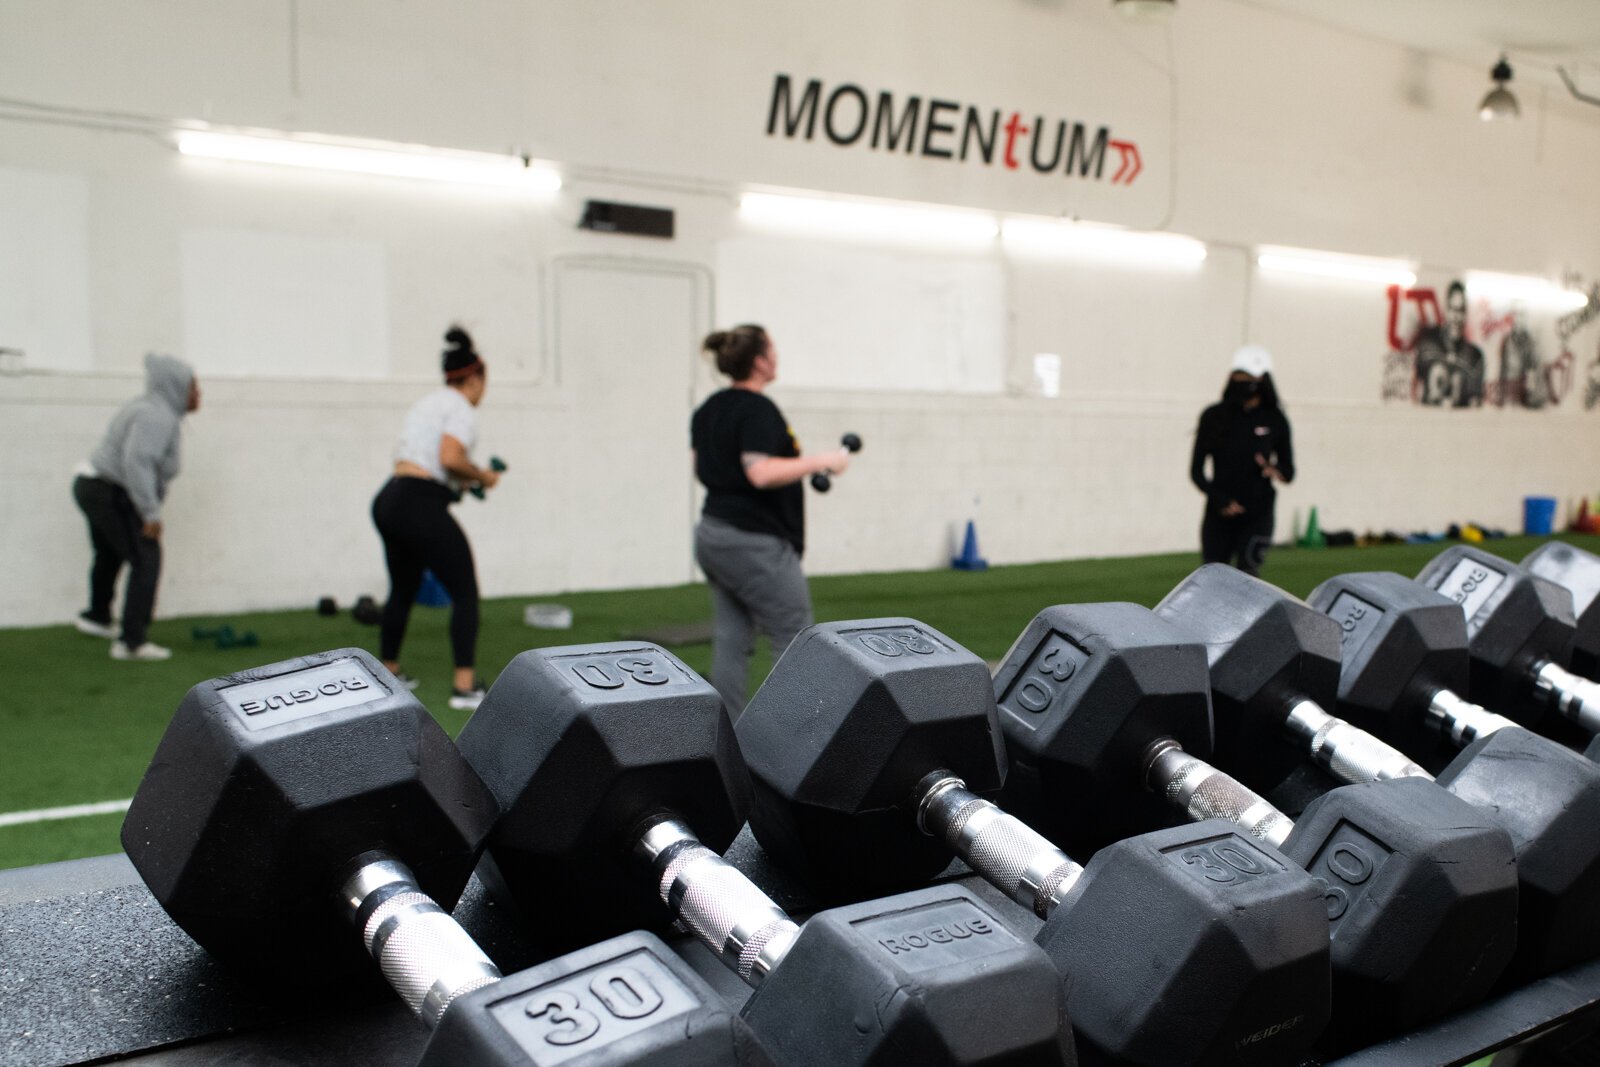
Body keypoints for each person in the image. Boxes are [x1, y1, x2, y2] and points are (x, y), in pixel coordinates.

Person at [691, 324, 852, 715]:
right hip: (753, 544)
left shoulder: (709, 409)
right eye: (773, 350)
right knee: (796, 637)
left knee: (731, 639)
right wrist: (823, 460)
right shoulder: (758, 409)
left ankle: (724, 738)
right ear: (760, 361)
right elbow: (759, 472)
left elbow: (702, 469)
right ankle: (793, 738)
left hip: (713, 536)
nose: (777, 356)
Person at [371, 326, 501, 710]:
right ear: (475, 379)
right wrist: (482, 475)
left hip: (391, 499)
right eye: (484, 383)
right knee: (464, 591)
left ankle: (388, 673)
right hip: (418, 502)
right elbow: (448, 458)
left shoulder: (428, 403)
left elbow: (430, 463)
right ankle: (465, 688)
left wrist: (464, 479)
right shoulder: (461, 408)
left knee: (403, 589)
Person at [72, 353, 200, 660]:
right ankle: (131, 642)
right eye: (193, 387)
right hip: (109, 489)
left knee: (111, 552)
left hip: (92, 484)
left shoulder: (151, 408)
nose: (198, 394)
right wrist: (150, 513)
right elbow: (137, 463)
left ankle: (96, 617)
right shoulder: (157, 415)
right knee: (146, 556)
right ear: (175, 386)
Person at [1189, 344, 1294, 577]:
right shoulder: (1214, 416)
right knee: (1213, 577)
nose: (1244, 382)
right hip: (1219, 513)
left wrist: (1273, 469)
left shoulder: (1275, 419)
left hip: (1258, 513)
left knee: (1248, 577)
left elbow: (1289, 471)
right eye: (1240, 375)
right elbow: (1196, 471)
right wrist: (1220, 500)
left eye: (1250, 376)